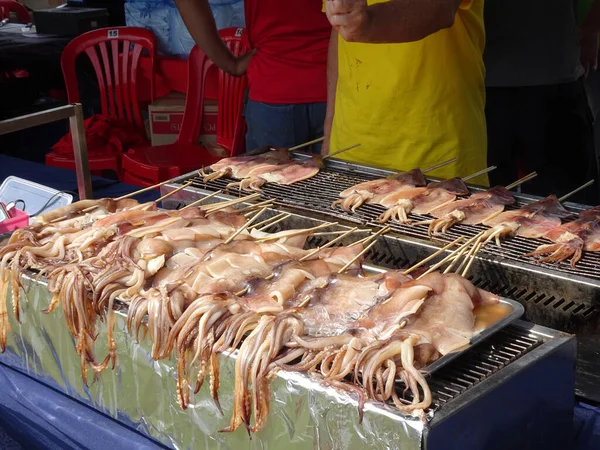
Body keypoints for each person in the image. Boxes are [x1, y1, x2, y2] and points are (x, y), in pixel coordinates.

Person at [322, 0, 488, 185]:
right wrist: (329, 126)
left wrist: (369, 23)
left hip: (438, 156)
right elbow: (339, 31)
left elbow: (441, 9)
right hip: (349, 150)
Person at [173, 0, 331, 153]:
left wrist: (229, 63)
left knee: (270, 178)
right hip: (340, 89)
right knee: (341, 179)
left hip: (273, 87)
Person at [484, 0, 599, 205]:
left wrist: (591, 30)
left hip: (555, 76)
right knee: (486, 204)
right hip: (482, 83)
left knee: (572, 204)